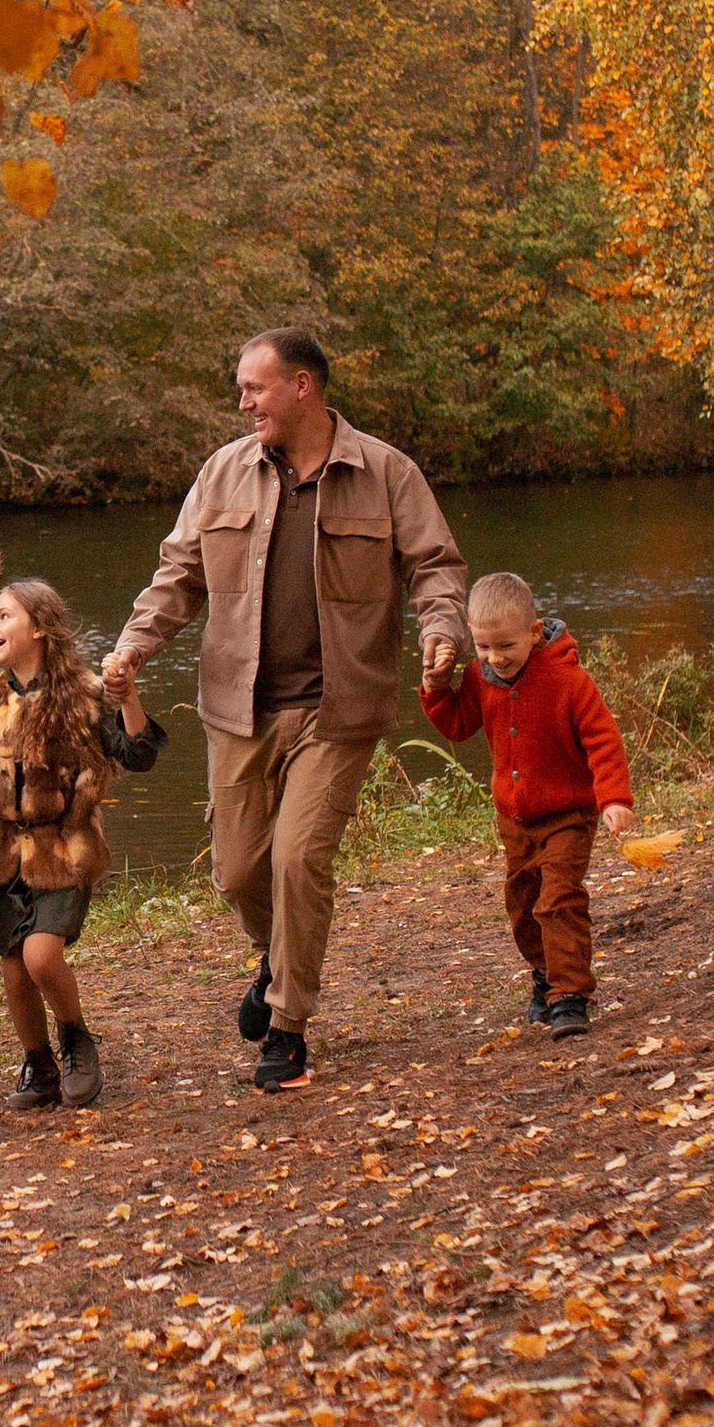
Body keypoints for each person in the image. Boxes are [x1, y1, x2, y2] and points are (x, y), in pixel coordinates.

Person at [104, 327, 469, 1093]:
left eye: (254, 388)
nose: (243, 402)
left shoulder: (386, 473)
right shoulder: (223, 474)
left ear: (303, 386)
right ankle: (279, 956)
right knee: (239, 872)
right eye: (241, 389)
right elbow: (178, 574)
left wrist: (442, 631)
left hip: (338, 706)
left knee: (300, 858)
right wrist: (137, 644)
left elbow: (435, 566)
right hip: (237, 707)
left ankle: (287, 1026)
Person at [0, 579, 166, 1112]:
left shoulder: (84, 695)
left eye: (4, 616)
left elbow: (138, 755)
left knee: (42, 957)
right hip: (1, 856)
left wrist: (128, 696)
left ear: (39, 628)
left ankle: (76, 1042)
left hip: (63, 851)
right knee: (14, 969)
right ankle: (37, 1063)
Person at [418, 571, 634, 1039]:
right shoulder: (480, 677)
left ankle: (569, 995)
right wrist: (436, 688)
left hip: (568, 815)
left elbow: (603, 741)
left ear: (535, 635)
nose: (495, 658)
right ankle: (544, 974)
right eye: (483, 648)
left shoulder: (569, 680)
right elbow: (458, 725)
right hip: (514, 820)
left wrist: (613, 797)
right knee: (523, 905)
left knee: (559, 900)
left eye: (506, 647)